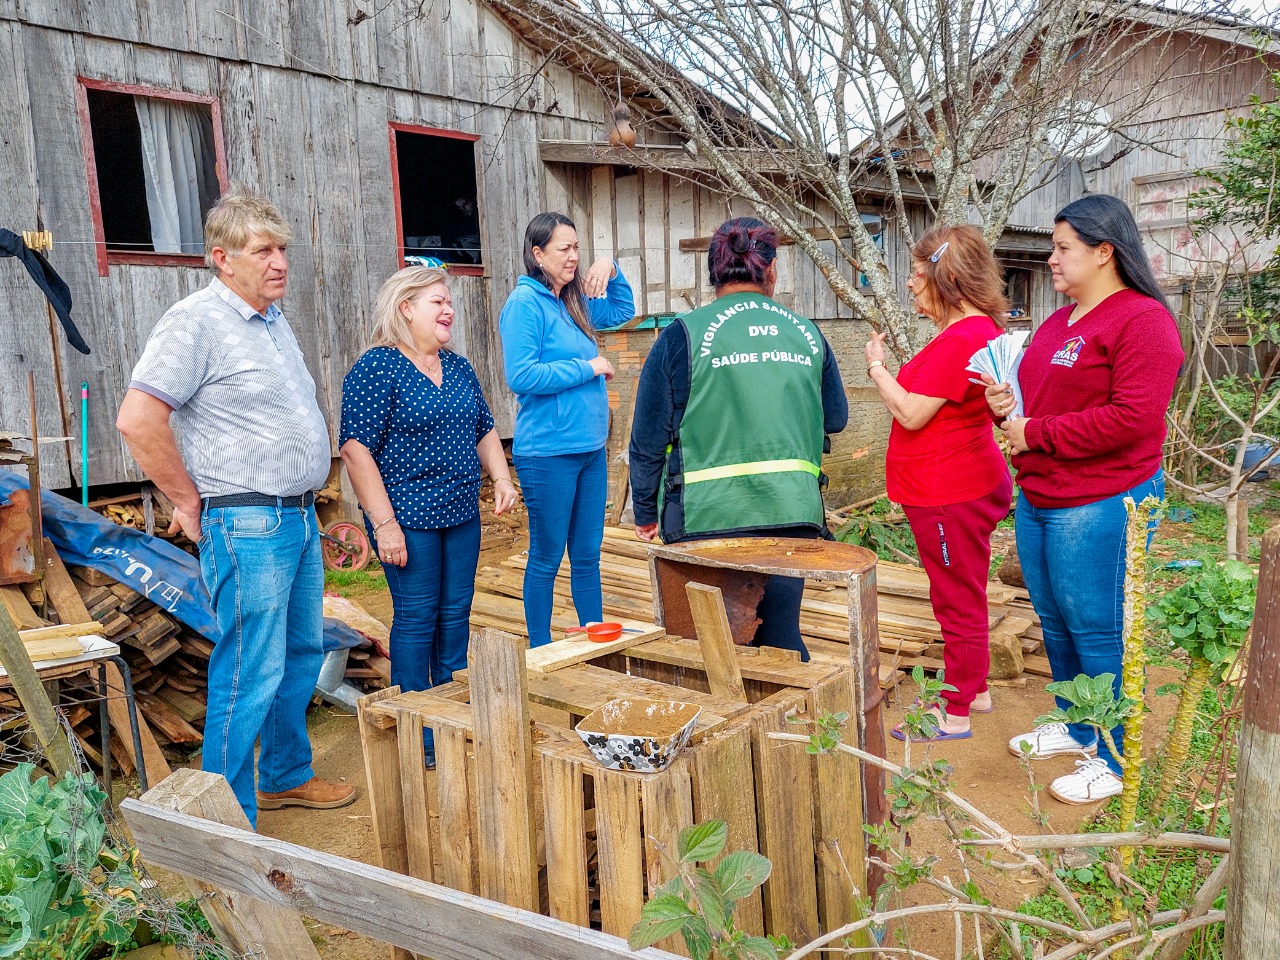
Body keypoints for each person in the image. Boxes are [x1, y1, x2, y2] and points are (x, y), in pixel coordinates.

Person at [116, 187, 355, 827]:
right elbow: (138, 420)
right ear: (222, 258)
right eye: (262, 251)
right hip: (247, 520)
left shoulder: (272, 321)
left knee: (301, 652)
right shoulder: (196, 322)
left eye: (282, 249)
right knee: (250, 666)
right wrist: (187, 498)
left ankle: (282, 776)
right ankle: (221, 816)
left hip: (298, 515)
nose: (279, 262)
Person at [985, 194, 1183, 804]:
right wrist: (1008, 408)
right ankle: (1076, 728)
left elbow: (1133, 419)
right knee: (1055, 621)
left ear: (1104, 252)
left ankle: (1115, 753)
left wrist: (1034, 432)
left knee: (1097, 627)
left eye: (1062, 247)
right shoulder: (1056, 323)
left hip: (1100, 499)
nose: (1051, 258)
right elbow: (1038, 401)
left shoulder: (1143, 321)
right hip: (1044, 494)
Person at [628, 217, 848, 660]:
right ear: (771, 271)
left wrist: (646, 512)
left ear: (713, 274)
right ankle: (798, 725)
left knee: (707, 649)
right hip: (792, 515)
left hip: (704, 519)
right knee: (781, 638)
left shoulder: (681, 336)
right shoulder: (807, 333)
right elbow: (837, 419)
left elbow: (648, 439)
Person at [339, 265, 517, 767]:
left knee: (455, 616)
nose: (449, 310)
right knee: (418, 620)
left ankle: (453, 712)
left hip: (461, 514)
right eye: (438, 302)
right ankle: (418, 730)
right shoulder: (378, 368)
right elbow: (355, 450)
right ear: (405, 308)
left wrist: (501, 478)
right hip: (408, 519)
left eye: (449, 302)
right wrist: (384, 525)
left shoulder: (457, 367)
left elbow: (484, 427)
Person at [865, 225, 1013, 740]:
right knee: (962, 590)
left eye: (916, 272)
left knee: (956, 597)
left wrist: (878, 369)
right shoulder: (976, 332)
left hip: (950, 489)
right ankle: (976, 688)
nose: (909, 283)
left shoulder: (963, 339)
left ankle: (954, 713)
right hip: (955, 482)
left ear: (945, 276)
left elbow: (910, 413)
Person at [499, 212, 634, 647]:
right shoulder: (524, 305)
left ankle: (593, 636)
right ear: (537, 254)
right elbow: (522, 376)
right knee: (546, 555)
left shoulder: (573, 301)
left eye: (577, 247)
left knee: (587, 553)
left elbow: (623, 310)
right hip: (548, 452)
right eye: (564, 249)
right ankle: (540, 646)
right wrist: (587, 366)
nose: (574, 256)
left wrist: (611, 267)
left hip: (590, 448)